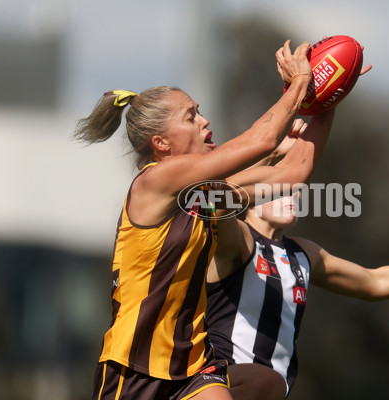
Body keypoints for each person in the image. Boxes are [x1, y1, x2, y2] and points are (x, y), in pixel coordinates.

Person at [74, 40, 320, 400]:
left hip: (193, 367)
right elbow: (263, 139)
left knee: (265, 382)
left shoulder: (205, 196)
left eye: (199, 111)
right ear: (160, 142)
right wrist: (300, 83)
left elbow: (293, 173)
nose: (204, 121)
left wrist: (327, 101)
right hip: (135, 367)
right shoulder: (156, 181)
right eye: (190, 116)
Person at [206, 192, 389, 399]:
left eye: (295, 188)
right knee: (265, 381)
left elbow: (375, 282)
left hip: (265, 391)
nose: (294, 194)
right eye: (281, 187)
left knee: (269, 383)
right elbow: (216, 201)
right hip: (222, 380)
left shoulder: (302, 253)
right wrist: (266, 155)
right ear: (253, 195)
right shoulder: (239, 238)